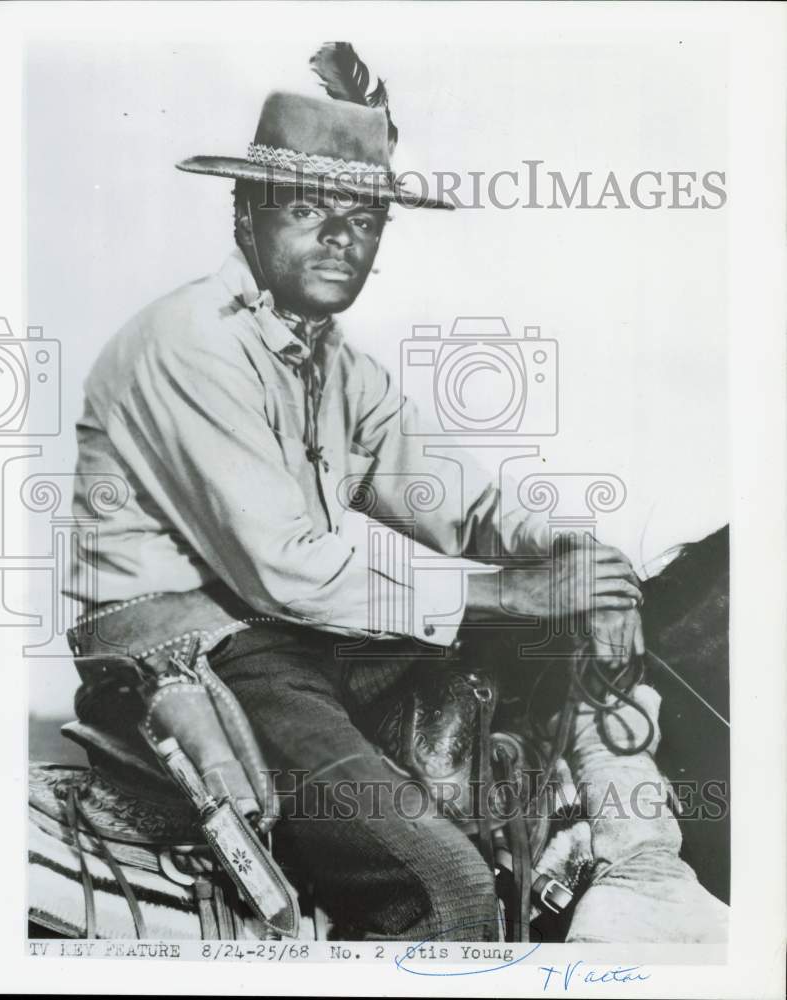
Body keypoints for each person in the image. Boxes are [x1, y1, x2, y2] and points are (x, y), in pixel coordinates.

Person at [64, 45, 719, 942]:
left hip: (294, 643)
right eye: (307, 210)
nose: (342, 239)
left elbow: (463, 504)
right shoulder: (187, 346)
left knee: (547, 655)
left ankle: (641, 874)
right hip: (190, 655)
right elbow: (286, 572)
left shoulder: (337, 367)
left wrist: (577, 560)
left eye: (364, 219)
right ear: (245, 216)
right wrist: (505, 592)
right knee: (445, 886)